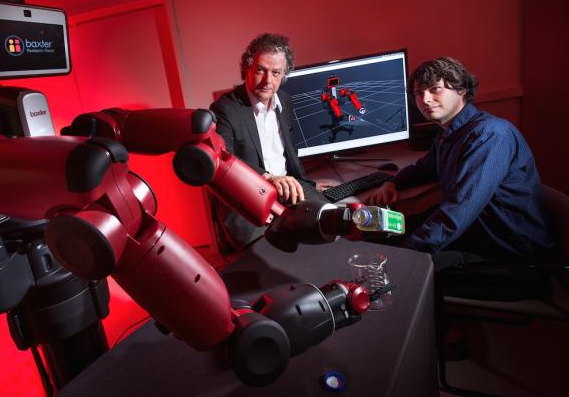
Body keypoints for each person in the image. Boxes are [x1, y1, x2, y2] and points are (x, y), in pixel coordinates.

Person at [367, 56, 553, 300]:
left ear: (462, 89)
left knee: (406, 275)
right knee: (384, 235)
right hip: (477, 236)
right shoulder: (451, 132)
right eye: (418, 93)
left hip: (511, 259)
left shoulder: (490, 136)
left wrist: (407, 257)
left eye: (435, 89)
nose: (425, 100)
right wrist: (393, 182)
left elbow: (455, 213)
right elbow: (426, 167)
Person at [209, 33, 328, 252]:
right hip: (248, 198)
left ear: (284, 75)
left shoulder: (285, 100)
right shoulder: (224, 108)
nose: (268, 81)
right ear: (246, 68)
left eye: (276, 73)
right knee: (268, 254)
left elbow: (288, 151)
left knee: (329, 222)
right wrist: (269, 178)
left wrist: (305, 183)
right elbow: (223, 160)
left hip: (289, 190)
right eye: (261, 70)